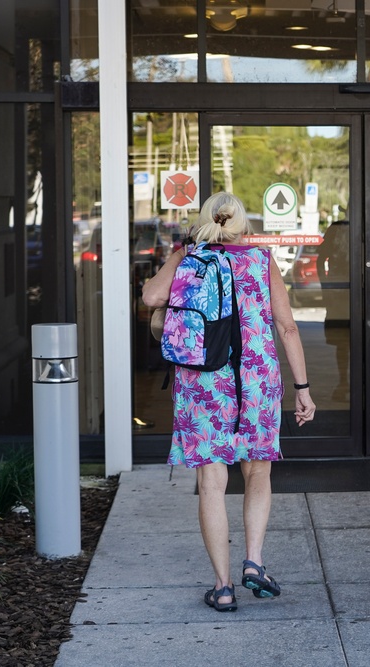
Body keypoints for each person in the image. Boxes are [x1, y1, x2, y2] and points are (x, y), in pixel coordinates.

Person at [142, 192, 316, 612]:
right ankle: (254, 562)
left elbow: (152, 298)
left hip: (204, 380)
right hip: (256, 379)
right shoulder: (259, 260)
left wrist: (183, 253)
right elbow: (288, 327)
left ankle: (222, 587)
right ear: (243, 225)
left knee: (211, 483)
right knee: (257, 471)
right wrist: (303, 387)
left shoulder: (190, 256)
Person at [317, 217, 370, 400]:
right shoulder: (336, 230)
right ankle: (343, 382)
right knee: (342, 340)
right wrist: (327, 289)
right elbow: (320, 259)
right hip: (341, 294)